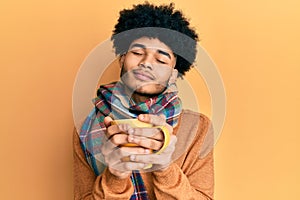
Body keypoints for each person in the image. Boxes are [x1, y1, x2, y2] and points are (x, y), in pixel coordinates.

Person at [73, 2, 214, 199]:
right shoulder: (86, 129)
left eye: (161, 59)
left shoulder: (197, 128)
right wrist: (115, 177)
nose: (146, 63)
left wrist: (164, 167)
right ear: (122, 59)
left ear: (174, 74)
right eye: (138, 53)